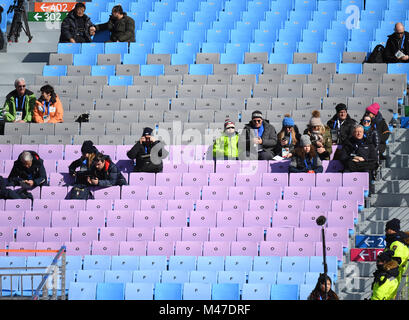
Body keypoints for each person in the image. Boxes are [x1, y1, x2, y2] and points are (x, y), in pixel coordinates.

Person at [383, 218, 409, 284]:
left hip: (394, 276)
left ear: (391, 230)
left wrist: (386, 265)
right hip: (394, 276)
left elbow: (396, 261)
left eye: (387, 229)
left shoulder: (397, 243)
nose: (385, 231)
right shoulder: (394, 242)